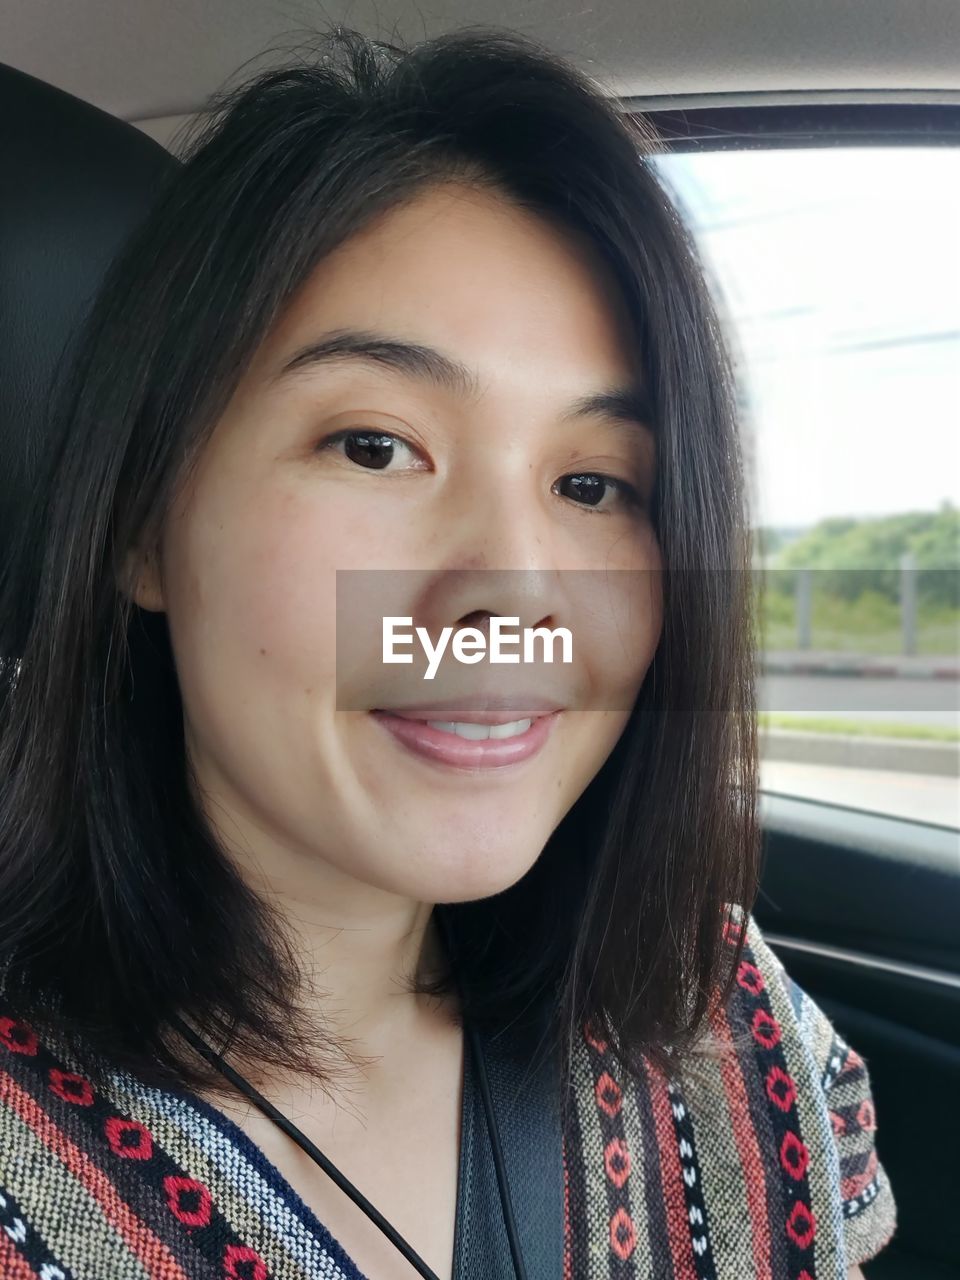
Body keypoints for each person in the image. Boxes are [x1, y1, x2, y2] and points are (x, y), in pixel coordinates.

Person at [0, 26, 895, 1280]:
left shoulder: (719, 1006)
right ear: (142, 524)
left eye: (593, 482)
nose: (516, 589)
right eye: (374, 445)